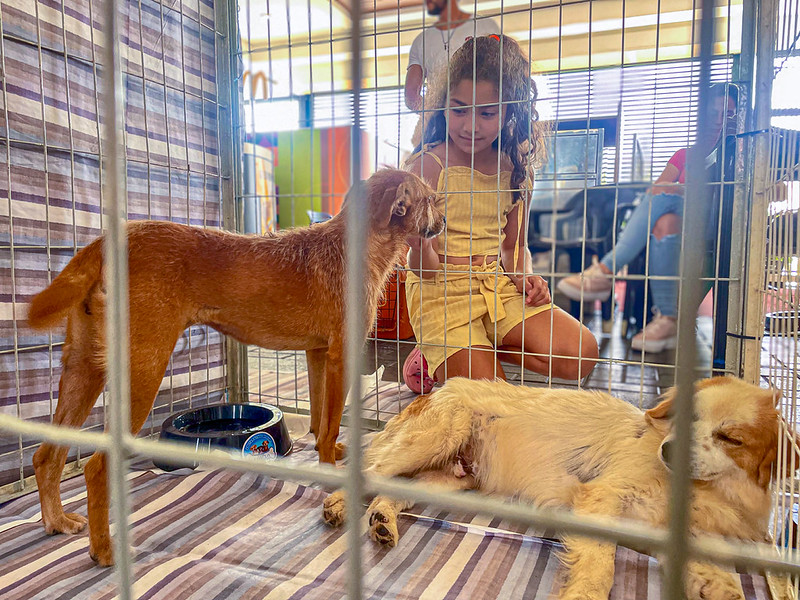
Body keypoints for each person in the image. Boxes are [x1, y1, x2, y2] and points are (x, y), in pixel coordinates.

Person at [402, 35, 599, 390]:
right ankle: (444, 350)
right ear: (442, 105)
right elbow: (423, 272)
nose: (470, 126)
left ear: (511, 110)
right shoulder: (426, 167)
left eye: (488, 113)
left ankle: (460, 352)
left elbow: (514, 247)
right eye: (459, 109)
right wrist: (420, 246)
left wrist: (524, 277)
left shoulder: (517, 169)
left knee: (581, 353)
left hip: (496, 286)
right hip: (439, 291)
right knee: (495, 404)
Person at [556, 84, 738, 353]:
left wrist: (681, 191)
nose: (720, 120)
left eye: (728, 114)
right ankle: (667, 317)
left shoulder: (739, 154)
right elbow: (657, 189)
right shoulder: (684, 156)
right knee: (663, 219)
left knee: (668, 199)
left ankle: (604, 272)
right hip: (680, 226)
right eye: (714, 113)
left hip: (719, 224)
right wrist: (680, 191)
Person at [404, 0, 500, 112]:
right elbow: (411, 96)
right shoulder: (422, 40)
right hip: (476, 113)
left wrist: (438, 115)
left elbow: (411, 96)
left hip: (468, 112)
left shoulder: (485, 26)